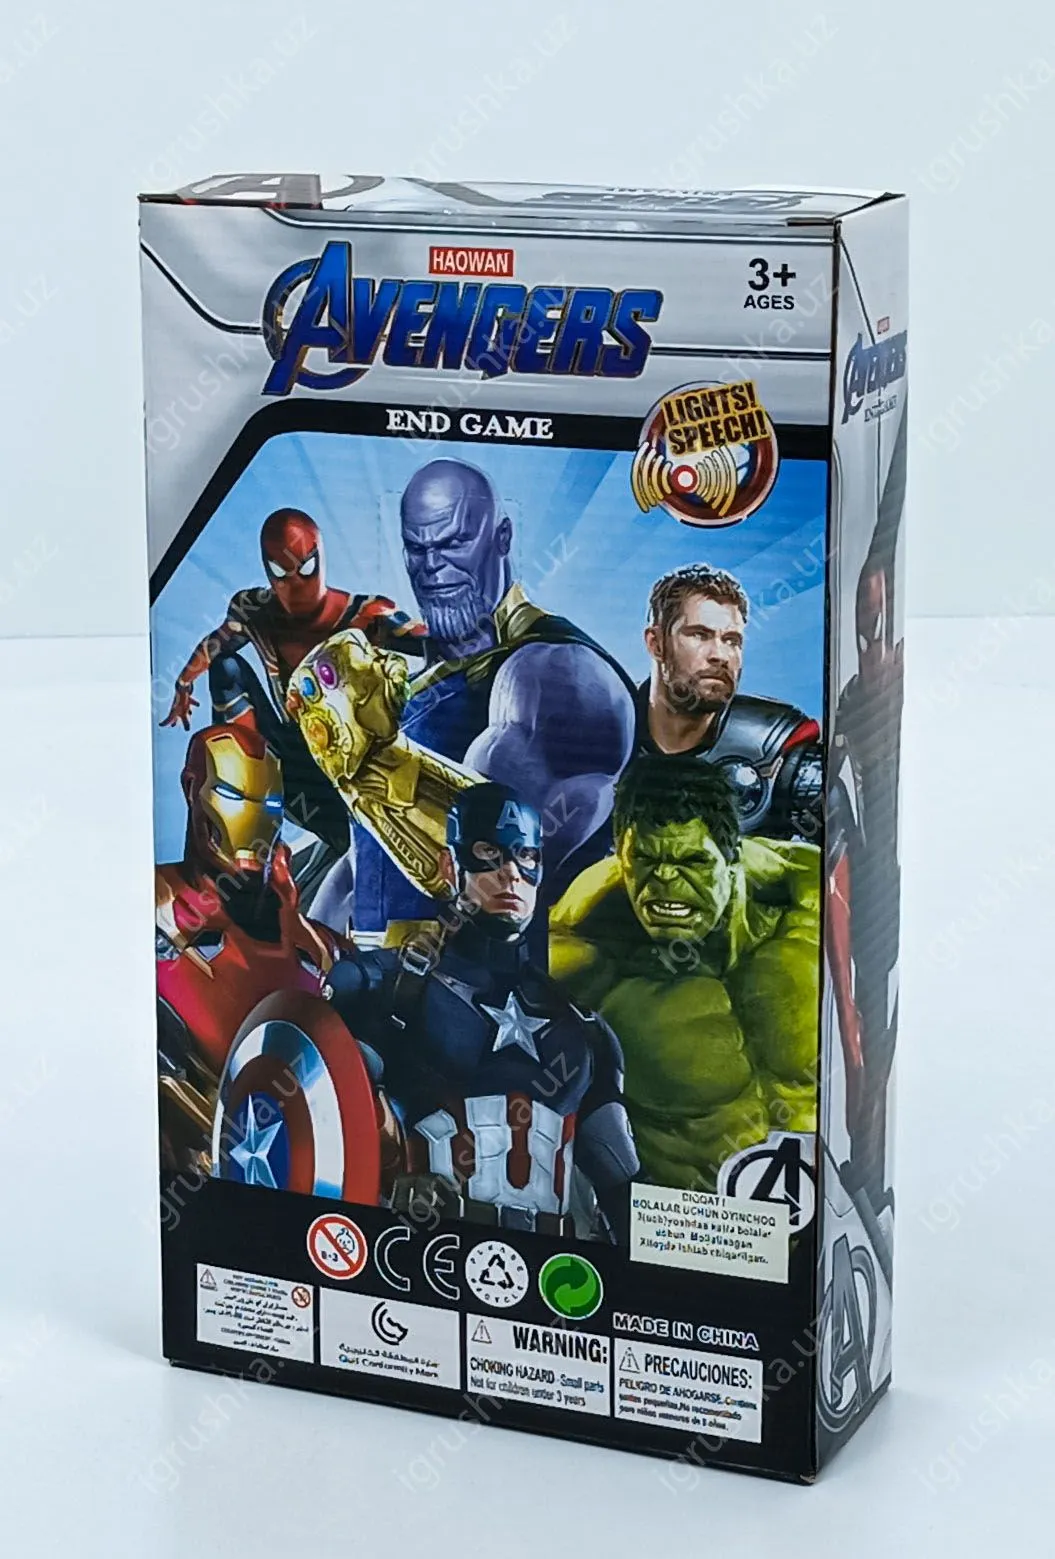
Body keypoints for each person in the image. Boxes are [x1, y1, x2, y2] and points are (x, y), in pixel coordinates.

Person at [325, 782, 640, 1241]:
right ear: (449, 865)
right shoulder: (381, 988)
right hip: (410, 1253)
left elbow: (624, 1194)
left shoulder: (584, 1031)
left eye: (526, 857)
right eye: (488, 853)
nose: (510, 874)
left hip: (550, 1271)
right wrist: (389, 1184)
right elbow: (327, 1130)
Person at [550, 754, 820, 1191]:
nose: (666, 880)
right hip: (686, 1219)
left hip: (832, 1213)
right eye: (645, 859)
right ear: (621, 858)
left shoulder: (813, 896)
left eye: (692, 862)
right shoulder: (586, 943)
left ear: (732, 859)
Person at [159, 507, 424, 870]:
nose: (296, 584)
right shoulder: (255, 612)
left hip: (356, 767)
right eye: (282, 573)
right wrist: (184, 681)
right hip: (292, 762)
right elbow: (216, 646)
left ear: (320, 559)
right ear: (268, 569)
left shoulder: (366, 615)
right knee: (227, 670)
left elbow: (436, 642)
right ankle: (250, 801)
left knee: (358, 840)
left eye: (306, 568)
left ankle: (350, 839)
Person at [156, 723, 342, 1175]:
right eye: (233, 796)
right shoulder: (154, 904)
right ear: (192, 789)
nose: (254, 818)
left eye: (270, 805)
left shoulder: (315, 946)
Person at [638, 563, 822, 840]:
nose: (720, 655)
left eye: (732, 640)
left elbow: (846, 851)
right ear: (656, 644)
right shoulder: (599, 732)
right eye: (699, 635)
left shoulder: (776, 748)